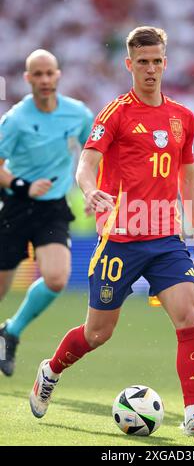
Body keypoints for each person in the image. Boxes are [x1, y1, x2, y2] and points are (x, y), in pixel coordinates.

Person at [29, 26, 194, 437]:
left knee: (188, 314)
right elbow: (86, 163)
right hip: (119, 238)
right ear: (129, 65)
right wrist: (90, 189)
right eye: (143, 62)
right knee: (97, 333)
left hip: (165, 238)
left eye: (157, 61)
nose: (151, 69)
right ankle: (50, 370)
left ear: (165, 63)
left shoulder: (182, 118)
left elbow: (187, 176)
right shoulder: (115, 113)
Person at [0, 49, 94, 376]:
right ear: (27, 79)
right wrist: (24, 185)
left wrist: (93, 190)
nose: (44, 80)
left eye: (49, 73)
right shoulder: (16, 120)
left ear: (58, 75)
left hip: (53, 207)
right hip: (15, 204)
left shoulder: (77, 114)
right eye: (37, 75)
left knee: (56, 278)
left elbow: (93, 155)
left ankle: (11, 330)